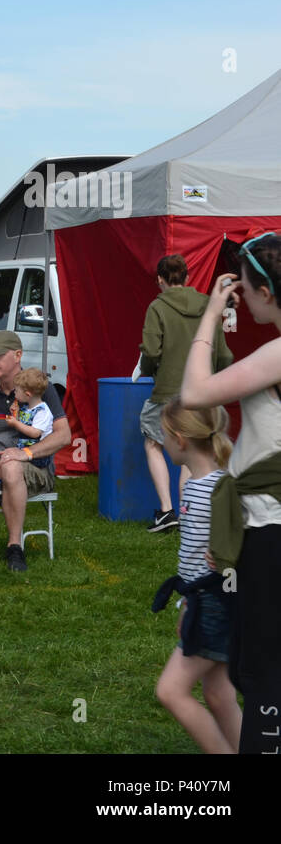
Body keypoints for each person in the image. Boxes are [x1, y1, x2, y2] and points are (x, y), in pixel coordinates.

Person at [180, 232, 281, 755]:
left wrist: (210, 316)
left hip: (271, 532)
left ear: (264, 289)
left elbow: (193, 394)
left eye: (244, 282)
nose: (239, 288)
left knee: (263, 674)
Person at [152, 397, 240, 754]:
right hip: (203, 600)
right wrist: (187, 602)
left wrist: (232, 562)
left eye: (164, 435)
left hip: (216, 602)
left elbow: (251, 537)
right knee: (218, 694)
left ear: (181, 439)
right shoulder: (195, 485)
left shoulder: (219, 489)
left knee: (170, 691)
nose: (163, 442)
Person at [139, 253, 233, 533]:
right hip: (203, 390)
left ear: (160, 280)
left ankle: (167, 512)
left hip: (166, 391)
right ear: (188, 277)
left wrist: (147, 368)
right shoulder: (208, 305)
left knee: (152, 444)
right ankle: (188, 512)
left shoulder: (157, 307)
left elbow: (151, 352)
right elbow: (225, 355)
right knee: (193, 450)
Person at [0, 331, 72, 572]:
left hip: (34, 465)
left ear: (18, 355)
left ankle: (14, 546)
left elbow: (64, 435)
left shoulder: (39, 387)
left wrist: (27, 453)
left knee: (12, 465)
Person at [0, 367, 52, 494]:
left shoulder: (42, 411)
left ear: (27, 394)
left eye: (17, 391)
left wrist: (15, 424)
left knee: (9, 457)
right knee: (8, 454)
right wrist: (15, 415)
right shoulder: (28, 408)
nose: (14, 393)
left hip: (38, 456)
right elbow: (24, 423)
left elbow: (35, 432)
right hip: (26, 450)